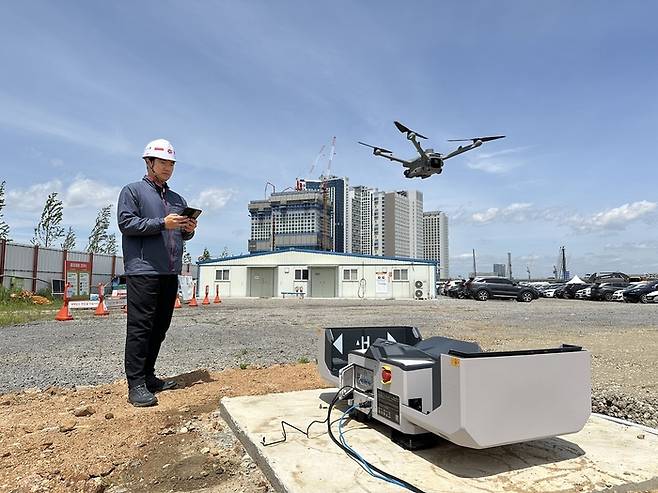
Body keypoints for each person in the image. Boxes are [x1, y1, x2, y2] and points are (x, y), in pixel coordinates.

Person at [117, 138, 197, 407]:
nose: (167, 168)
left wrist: (188, 229)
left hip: (169, 271)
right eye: (162, 162)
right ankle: (135, 383)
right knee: (140, 327)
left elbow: (180, 236)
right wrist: (163, 223)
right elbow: (127, 224)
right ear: (148, 162)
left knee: (160, 327)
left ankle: (149, 376)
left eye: (171, 163)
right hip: (143, 270)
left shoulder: (177, 199)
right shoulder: (133, 191)